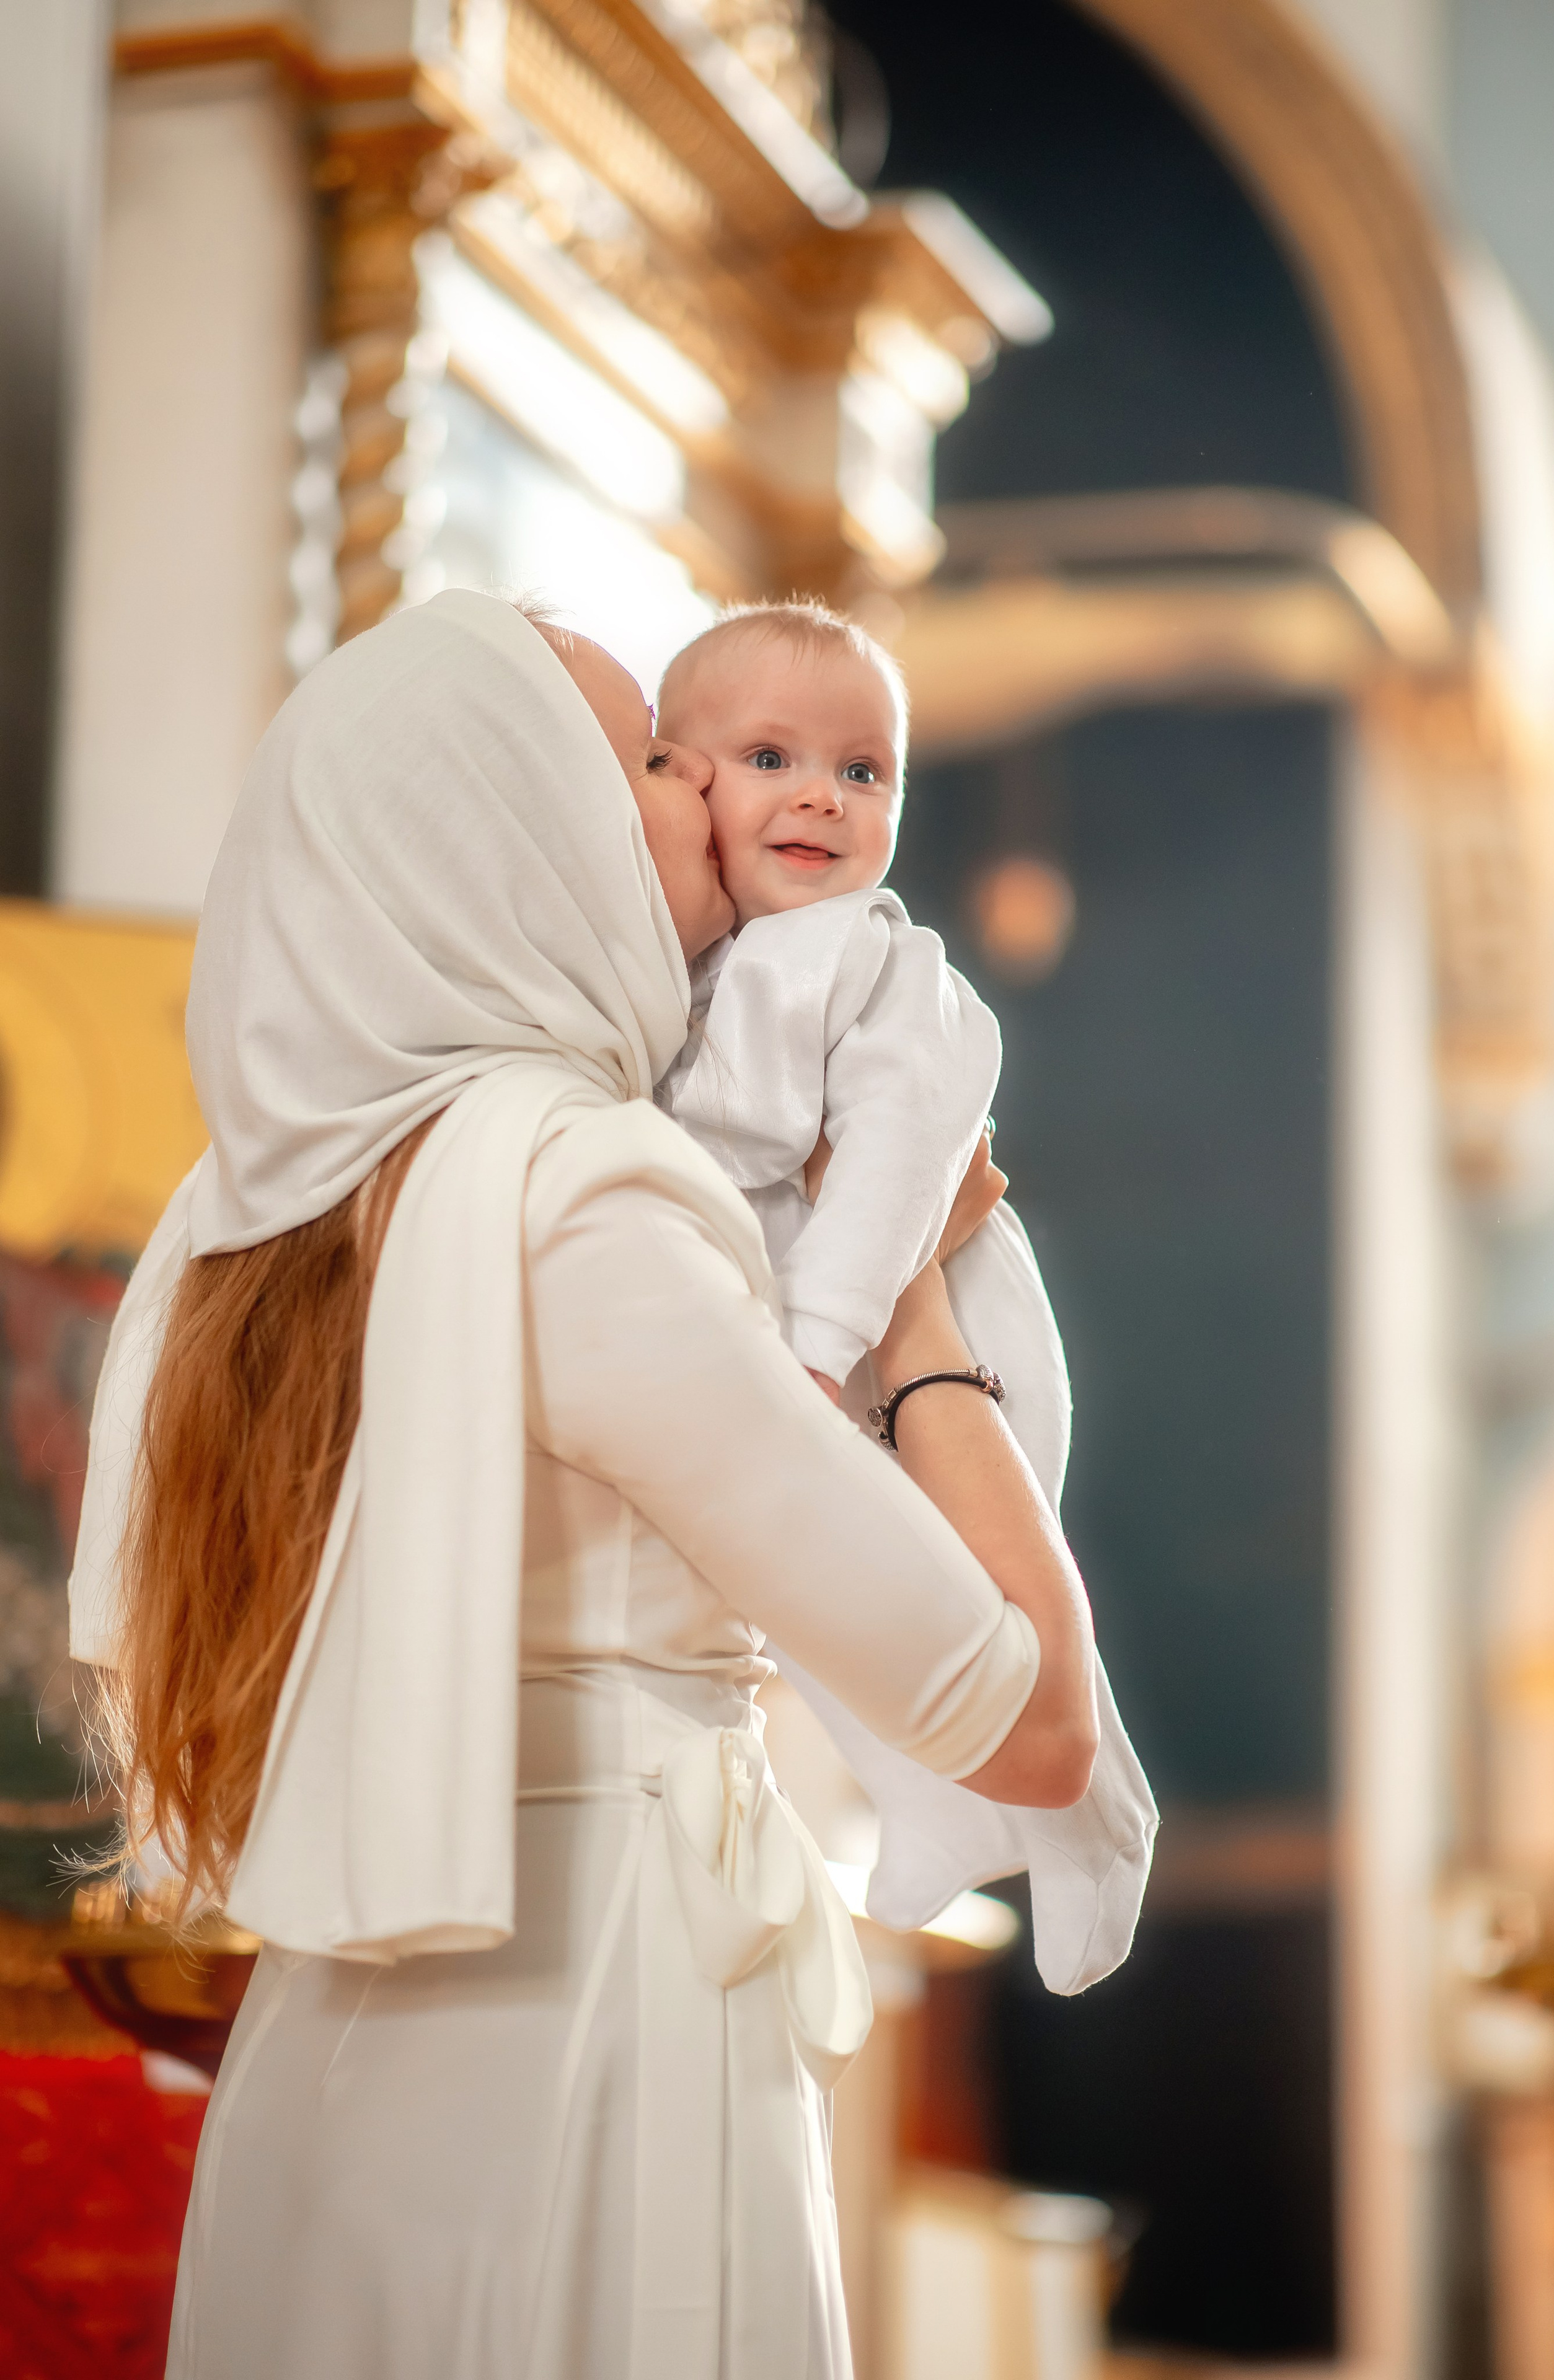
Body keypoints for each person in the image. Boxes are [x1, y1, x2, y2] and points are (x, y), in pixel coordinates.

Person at [69, 590, 1104, 2380]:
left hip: (340, 2060)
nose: (706, 789)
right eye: (647, 758)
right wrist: (911, 1282)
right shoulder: (582, 1202)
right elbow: (1030, 1726)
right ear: (527, 831)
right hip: (591, 2031)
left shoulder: (255, 1206)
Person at [655, 599, 1156, 1989]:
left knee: (988, 1606)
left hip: (945, 1319)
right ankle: (930, 1811)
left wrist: (821, 1345)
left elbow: (895, 1165)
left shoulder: (880, 962)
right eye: (771, 758)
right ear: (681, 780)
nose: (823, 793)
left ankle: (1101, 1825)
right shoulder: (686, 969)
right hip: (811, 1343)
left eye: (863, 770)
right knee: (831, 1612)